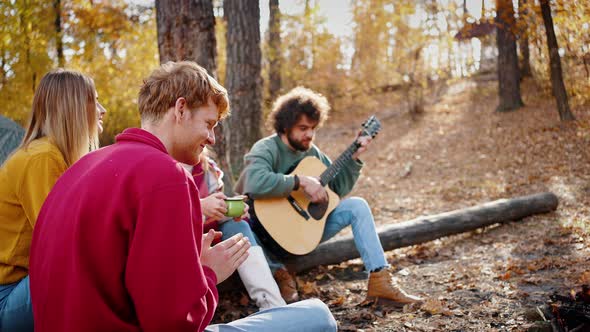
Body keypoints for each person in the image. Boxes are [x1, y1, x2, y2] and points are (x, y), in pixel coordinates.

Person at [29, 61, 337, 332]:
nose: (212, 138)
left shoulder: (83, 166)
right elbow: (173, 324)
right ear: (180, 109)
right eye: (209, 123)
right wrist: (207, 275)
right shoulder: (166, 176)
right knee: (318, 316)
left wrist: (191, 270)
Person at [235, 86, 424, 306]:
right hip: (263, 232)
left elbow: (337, 191)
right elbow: (254, 182)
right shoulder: (267, 148)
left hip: (302, 232)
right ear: (285, 125)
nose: (309, 135)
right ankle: (278, 272)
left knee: (357, 206)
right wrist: (300, 181)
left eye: (313, 128)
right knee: (239, 218)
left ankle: (380, 280)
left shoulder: (313, 153)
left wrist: (354, 158)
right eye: (303, 128)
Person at [0, 68, 105, 331]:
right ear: (74, 108)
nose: (102, 110)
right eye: (94, 100)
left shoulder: (52, 155)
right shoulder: (41, 158)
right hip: (7, 295)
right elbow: (65, 242)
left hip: (21, 287)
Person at [189, 152, 286, 310]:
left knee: (238, 227)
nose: (210, 137)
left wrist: (231, 209)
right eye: (207, 126)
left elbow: (215, 207)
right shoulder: (161, 166)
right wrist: (199, 206)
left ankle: (271, 304)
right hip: (183, 243)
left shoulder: (206, 168)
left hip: (211, 237)